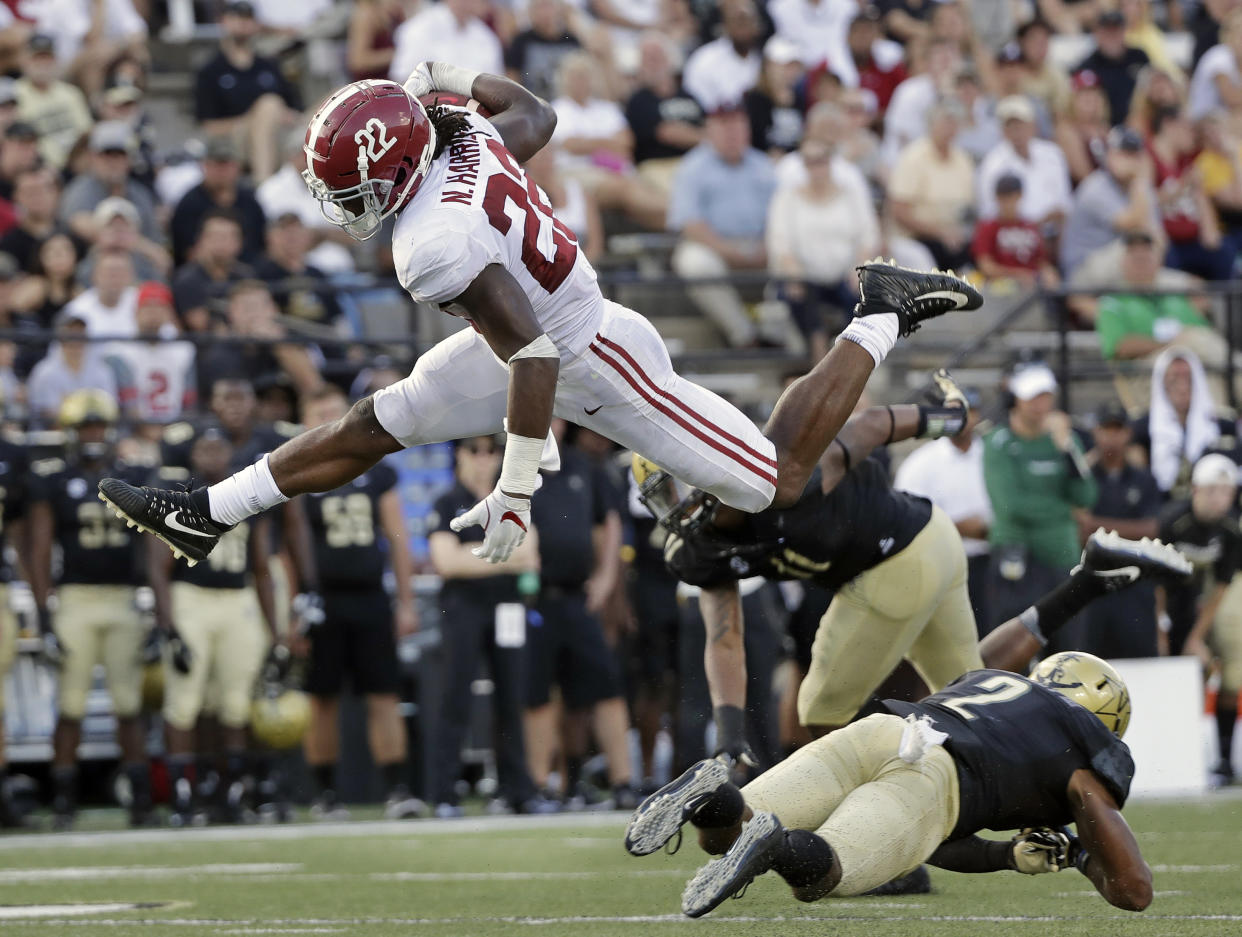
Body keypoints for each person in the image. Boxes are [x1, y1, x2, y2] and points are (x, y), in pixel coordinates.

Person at [99, 68, 981, 585]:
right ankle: (209, 511)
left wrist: (518, 486)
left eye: (357, 189)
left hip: (589, 355)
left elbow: (534, 354)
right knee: (387, 416)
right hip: (539, 340)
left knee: (776, 481)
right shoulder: (464, 144)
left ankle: (877, 311)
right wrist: (465, 94)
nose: (347, 208)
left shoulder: (432, 243)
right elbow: (537, 116)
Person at [624, 533, 1188, 914]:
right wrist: (1082, 856)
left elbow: (928, 842)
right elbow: (1135, 890)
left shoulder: (998, 686)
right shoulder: (1078, 753)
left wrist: (1078, 588)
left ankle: (712, 796)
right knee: (822, 872)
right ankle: (775, 844)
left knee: (720, 833)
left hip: (881, 731)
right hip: (933, 777)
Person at [637, 370, 982, 745]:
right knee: (969, 700)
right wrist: (730, 738)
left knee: (821, 711)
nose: (678, 510)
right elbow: (724, 638)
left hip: (898, 555)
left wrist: (951, 419)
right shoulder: (700, 548)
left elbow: (871, 424)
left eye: (680, 486)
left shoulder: (780, 476)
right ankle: (1002, 785)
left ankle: (893, 788)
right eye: (665, 496)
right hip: (933, 539)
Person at [296, 386, 423, 821]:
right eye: (320, 410)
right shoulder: (298, 468)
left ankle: (397, 789)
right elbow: (289, 546)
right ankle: (325, 794)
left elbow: (398, 538)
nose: (329, 416)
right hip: (323, 601)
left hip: (370, 596)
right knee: (322, 699)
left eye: (335, 409)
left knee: (383, 695)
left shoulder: (372, 466)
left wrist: (405, 602)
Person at [28, 390, 152, 828]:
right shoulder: (56, 480)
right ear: (70, 433)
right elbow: (40, 549)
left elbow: (150, 543)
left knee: (128, 702)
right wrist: (44, 613)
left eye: (98, 426)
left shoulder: (133, 474)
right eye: (85, 428)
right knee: (72, 703)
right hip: (77, 599)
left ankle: (141, 800)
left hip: (122, 598)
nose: (93, 435)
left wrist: (152, 603)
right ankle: (64, 800)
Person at [147, 429, 279, 826]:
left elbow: (261, 568)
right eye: (205, 448)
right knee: (184, 702)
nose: (213, 454)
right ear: (192, 455)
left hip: (237, 600)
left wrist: (276, 631)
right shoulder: (177, 497)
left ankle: (232, 793)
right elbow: (158, 566)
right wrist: (168, 625)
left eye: (219, 446)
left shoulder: (246, 496)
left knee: (235, 701)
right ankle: (184, 797)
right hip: (192, 598)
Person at [427, 434, 551, 817]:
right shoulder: (447, 501)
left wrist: (471, 555)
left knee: (513, 697)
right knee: (455, 696)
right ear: (459, 455)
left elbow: (531, 556)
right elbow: (446, 563)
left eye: (491, 450)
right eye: (474, 450)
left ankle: (519, 790)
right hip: (462, 608)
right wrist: (503, 555)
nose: (484, 458)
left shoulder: (514, 500)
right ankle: (444, 792)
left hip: (507, 606)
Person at [526, 420, 635, 808]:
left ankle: (623, 782)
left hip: (578, 596)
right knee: (537, 693)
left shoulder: (583, 465)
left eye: (553, 413)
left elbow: (610, 523)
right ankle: (541, 785)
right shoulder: (512, 465)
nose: (548, 421)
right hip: (532, 600)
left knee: (604, 685)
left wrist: (606, 579)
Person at [984, 364, 1098, 642]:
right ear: (1016, 399)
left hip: (1061, 557)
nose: (1040, 404)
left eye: (1045, 396)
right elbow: (1010, 506)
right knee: (1012, 647)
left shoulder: (1065, 442)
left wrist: (1067, 449)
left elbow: (1086, 495)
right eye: (1032, 396)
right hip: (1017, 559)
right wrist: (1064, 511)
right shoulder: (999, 442)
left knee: (1068, 644)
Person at [1157, 453, 1242, 785]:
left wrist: (1198, 636)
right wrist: (1161, 625)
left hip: (1207, 604)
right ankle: (1175, 754)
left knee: (1232, 666)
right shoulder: (1173, 521)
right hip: (1175, 602)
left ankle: (1223, 757)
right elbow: (1157, 580)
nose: (1220, 498)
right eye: (1213, 490)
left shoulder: (1231, 530)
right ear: (1195, 490)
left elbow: (1222, 587)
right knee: (1174, 672)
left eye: (1227, 490)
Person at [766, 137, 879, 360]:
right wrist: (793, 273)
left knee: (863, 295)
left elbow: (868, 235)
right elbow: (780, 241)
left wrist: (859, 270)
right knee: (800, 292)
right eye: (810, 162)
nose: (816, 167)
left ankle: (850, 359)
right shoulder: (787, 197)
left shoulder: (850, 194)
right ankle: (819, 358)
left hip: (845, 274)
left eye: (821, 161)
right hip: (805, 277)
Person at [894, 385, 992, 633]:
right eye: (955, 412)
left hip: (992, 564)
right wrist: (958, 526)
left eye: (969, 412)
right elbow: (905, 520)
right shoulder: (920, 463)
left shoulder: (994, 455)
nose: (963, 419)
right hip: (941, 565)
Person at [1079, 402, 1163, 659]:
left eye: (1118, 429)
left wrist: (1096, 526)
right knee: (1091, 662)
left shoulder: (1144, 479)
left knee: (1140, 662)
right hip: (1094, 586)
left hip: (1134, 586)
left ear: (1128, 433)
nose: (1112, 436)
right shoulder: (1083, 478)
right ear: (1096, 432)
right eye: (1106, 429)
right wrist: (1127, 531)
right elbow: (1080, 532)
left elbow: (1152, 529)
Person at [194, 1, 301, 182]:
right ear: (223, 21)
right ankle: (264, 183)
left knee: (337, 96)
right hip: (235, 139)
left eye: (248, 18)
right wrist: (258, 118)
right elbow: (208, 125)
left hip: (281, 132)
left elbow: (295, 108)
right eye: (236, 17)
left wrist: (282, 115)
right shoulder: (211, 70)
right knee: (268, 105)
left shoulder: (269, 65)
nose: (243, 23)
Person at [1130, 346, 1237, 500]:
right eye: (1174, 378)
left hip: (1209, 501)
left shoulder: (1222, 423)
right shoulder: (1143, 425)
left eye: (1187, 378)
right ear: (1162, 381)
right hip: (1159, 502)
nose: (1182, 386)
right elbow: (1139, 475)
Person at [975, 96, 1072, 237]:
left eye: (1020, 125)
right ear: (1002, 131)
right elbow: (990, 214)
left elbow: (1065, 203)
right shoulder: (993, 164)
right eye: (1010, 126)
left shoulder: (1052, 154)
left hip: (1059, 232)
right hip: (1016, 237)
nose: (1016, 132)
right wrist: (1034, 225)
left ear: (1033, 126)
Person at [971, 175, 1059, 289]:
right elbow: (986, 266)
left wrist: (1049, 273)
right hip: (1002, 288)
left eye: (1012, 198)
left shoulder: (1030, 226)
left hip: (1034, 287)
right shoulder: (987, 227)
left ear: (1020, 196)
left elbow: (1041, 261)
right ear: (997, 198)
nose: (1008, 204)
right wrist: (1017, 275)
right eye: (1004, 198)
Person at [1074, 9, 1150, 125]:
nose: (1112, 36)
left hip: (1139, 124)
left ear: (1124, 31)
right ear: (1097, 33)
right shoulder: (1088, 67)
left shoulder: (1139, 57)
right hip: (1104, 126)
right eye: (1107, 31)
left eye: (1116, 30)